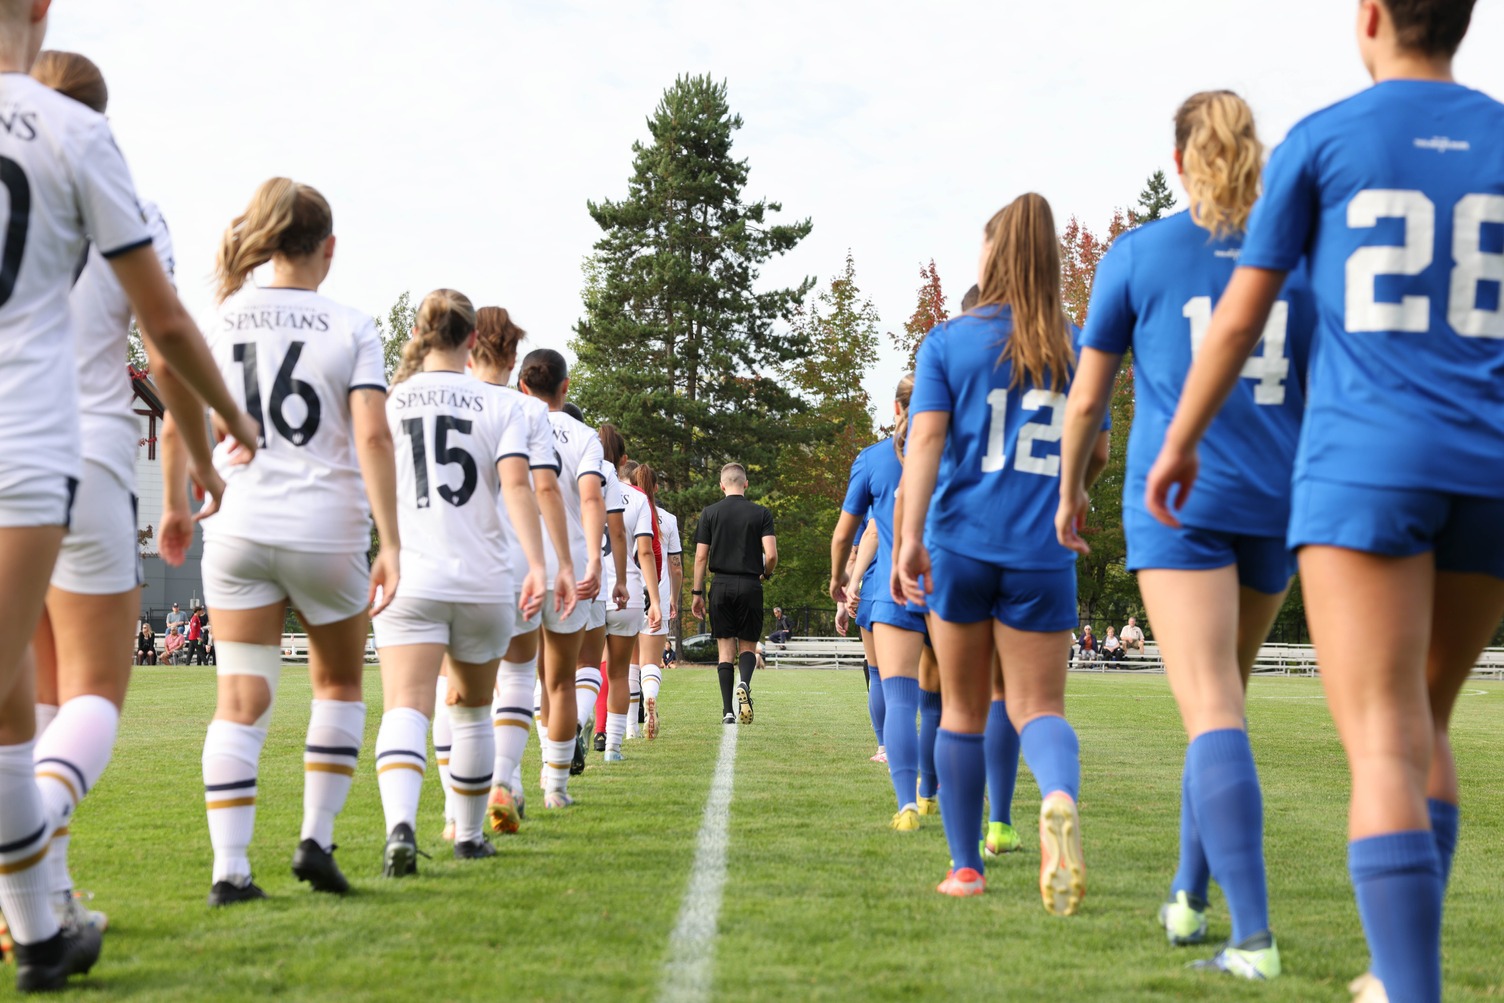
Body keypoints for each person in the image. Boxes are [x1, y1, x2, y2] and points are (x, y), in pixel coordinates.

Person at [1148, 6, 1500, 999]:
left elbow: (1239, 317)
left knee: (1386, 739)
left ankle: (1409, 987)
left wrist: (1177, 443)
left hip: (1367, 464)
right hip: (1490, 467)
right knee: (1426, 723)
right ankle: (1396, 979)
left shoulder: (1324, 138)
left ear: (1372, 17)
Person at [0, 13, 266, 987]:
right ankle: (34, 860)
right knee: (94, 697)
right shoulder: (91, 153)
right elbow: (164, 339)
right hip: (71, 452)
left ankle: (42, 910)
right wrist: (206, 447)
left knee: (21, 706)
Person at [179, 177, 399, 907]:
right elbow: (370, 432)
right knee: (337, 684)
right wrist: (391, 538)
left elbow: (202, 415)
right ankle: (315, 838)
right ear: (328, 248)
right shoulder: (352, 325)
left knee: (239, 698)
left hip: (239, 521)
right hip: (324, 525)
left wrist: (190, 490)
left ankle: (230, 871)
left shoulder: (226, 316)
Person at [897, 192, 1109, 907]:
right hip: (1042, 548)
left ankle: (965, 867)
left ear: (991, 254)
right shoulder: (1079, 345)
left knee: (961, 708)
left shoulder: (948, 341)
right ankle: (1056, 798)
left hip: (959, 542)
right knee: (1039, 705)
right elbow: (1101, 448)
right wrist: (1072, 487)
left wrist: (907, 537)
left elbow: (923, 441)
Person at [371, 289, 551, 874]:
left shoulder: (392, 399)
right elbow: (520, 489)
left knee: (406, 706)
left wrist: (382, 546)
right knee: (475, 710)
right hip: (482, 578)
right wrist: (541, 565)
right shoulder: (504, 406)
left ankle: (401, 826)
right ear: (472, 341)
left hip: (411, 573)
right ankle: (469, 835)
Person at [463, 307, 576, 836]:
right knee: (515, 676)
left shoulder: (430, 400)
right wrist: (560, 561)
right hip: (510, 561)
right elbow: (544, 488)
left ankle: (452, 816)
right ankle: (503, 779)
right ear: (513, 357)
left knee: (454, 690)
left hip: (445, 559)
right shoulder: (525, 412)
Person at [831, 376, 929, 832]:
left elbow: (855, 532)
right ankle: (938, 794)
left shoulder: (873, 459)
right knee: (944, 703)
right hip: (951, 587)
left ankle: (907, 801)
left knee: (897, 695)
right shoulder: (966, 450)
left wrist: (842, 581)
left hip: (892, 589)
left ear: (895, 407)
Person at [516, 349, 606, 809]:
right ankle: (555, 785)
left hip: (520, 564)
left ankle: (512, 778)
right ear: (566, 387)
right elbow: (591, 499)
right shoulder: (586, 435)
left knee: (521, 679)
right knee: (563, 681)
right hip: (569, 570)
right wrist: (592, 558)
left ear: (522, 386)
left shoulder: (511, 421)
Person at [692, 463, 777, 725]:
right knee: (748, 646)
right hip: (750, 584)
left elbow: (701, 557)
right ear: (746, 484)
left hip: (721, 585)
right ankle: (745, 684)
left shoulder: (709, 513)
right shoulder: (761, 513)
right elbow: (771, 555)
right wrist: (765, 573)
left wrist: (697, 592)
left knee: (725, 652)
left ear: (722, 485)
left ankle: (728, 711)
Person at [598, 450, 661, 760]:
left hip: (591, 587)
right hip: (630, 590)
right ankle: (613, 746)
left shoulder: (582, 484)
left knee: (585, 671)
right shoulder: (637, 499)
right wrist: (657, 599)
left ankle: (580, 732)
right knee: (621, 673)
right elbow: (648, 553)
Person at [632, 463, 679, 741]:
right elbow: (676, 566)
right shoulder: (668, 519)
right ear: (657, 487)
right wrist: (672, 597)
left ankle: (628, 730)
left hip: (625, 592)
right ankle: (650, 698)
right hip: (656, 596)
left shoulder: (623, 509)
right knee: (650, 661)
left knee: (627, 665)